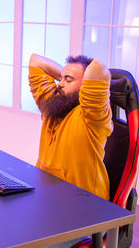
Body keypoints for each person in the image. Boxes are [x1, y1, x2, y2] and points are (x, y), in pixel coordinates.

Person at [28, 53, 113, 201]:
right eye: (60, 78)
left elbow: (98, 69)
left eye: (68, 80)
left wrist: (81, 79)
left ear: (86, 86)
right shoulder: (52, 106)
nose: (59, 84)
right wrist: (67, 75)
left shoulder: (93, 117)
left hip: (85, 204)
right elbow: (35, 61)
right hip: (47, 197)